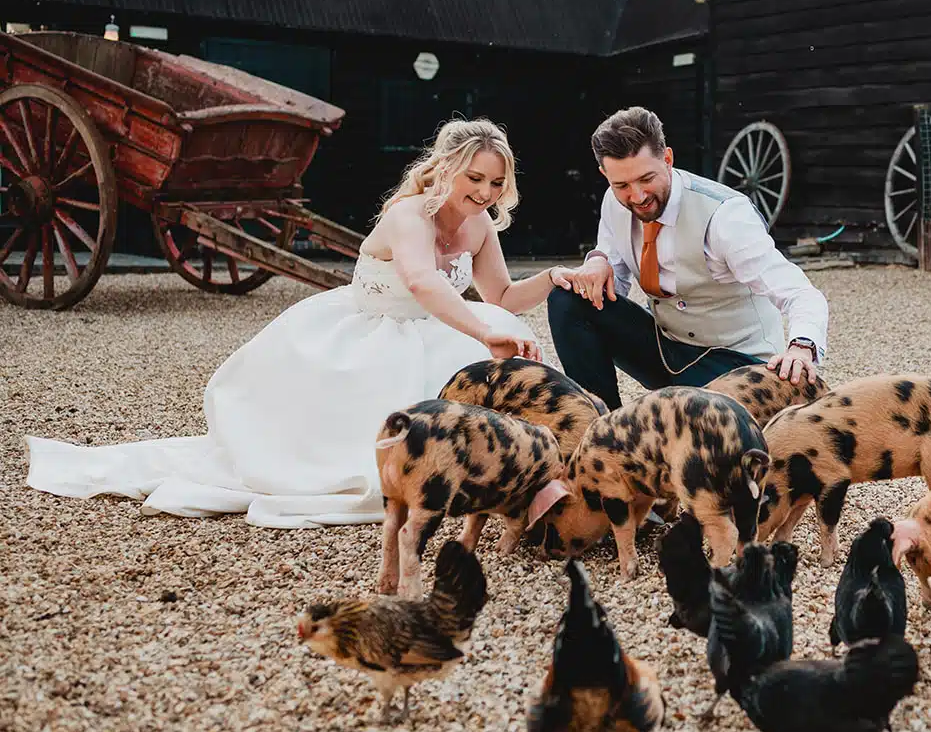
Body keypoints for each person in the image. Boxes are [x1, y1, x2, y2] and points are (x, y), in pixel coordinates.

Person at [25, 118, 567, 529]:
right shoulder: (410, 214)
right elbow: (424, 282)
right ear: (446, 169)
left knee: (500, 354)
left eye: (497, 183)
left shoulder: (481, 227)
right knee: (380, 428)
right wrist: (483, 330)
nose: (486, 193)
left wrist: (557, 277)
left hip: (436, 327)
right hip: (375, 329)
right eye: (475, 178)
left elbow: (502, 295)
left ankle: (519, 473)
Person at [548, 106, 828, 411]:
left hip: (734, 362)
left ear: (668, 159)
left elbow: (800, 293)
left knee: (672, 427)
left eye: (646, 178)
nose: (638, 196)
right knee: (567, 300)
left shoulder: (725, 217)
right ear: (605, 174)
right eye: (622, 185)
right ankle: (602, 426)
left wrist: (802, 347)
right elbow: (612, 279)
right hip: (666, 347)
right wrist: (597, 261)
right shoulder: (615, 203)